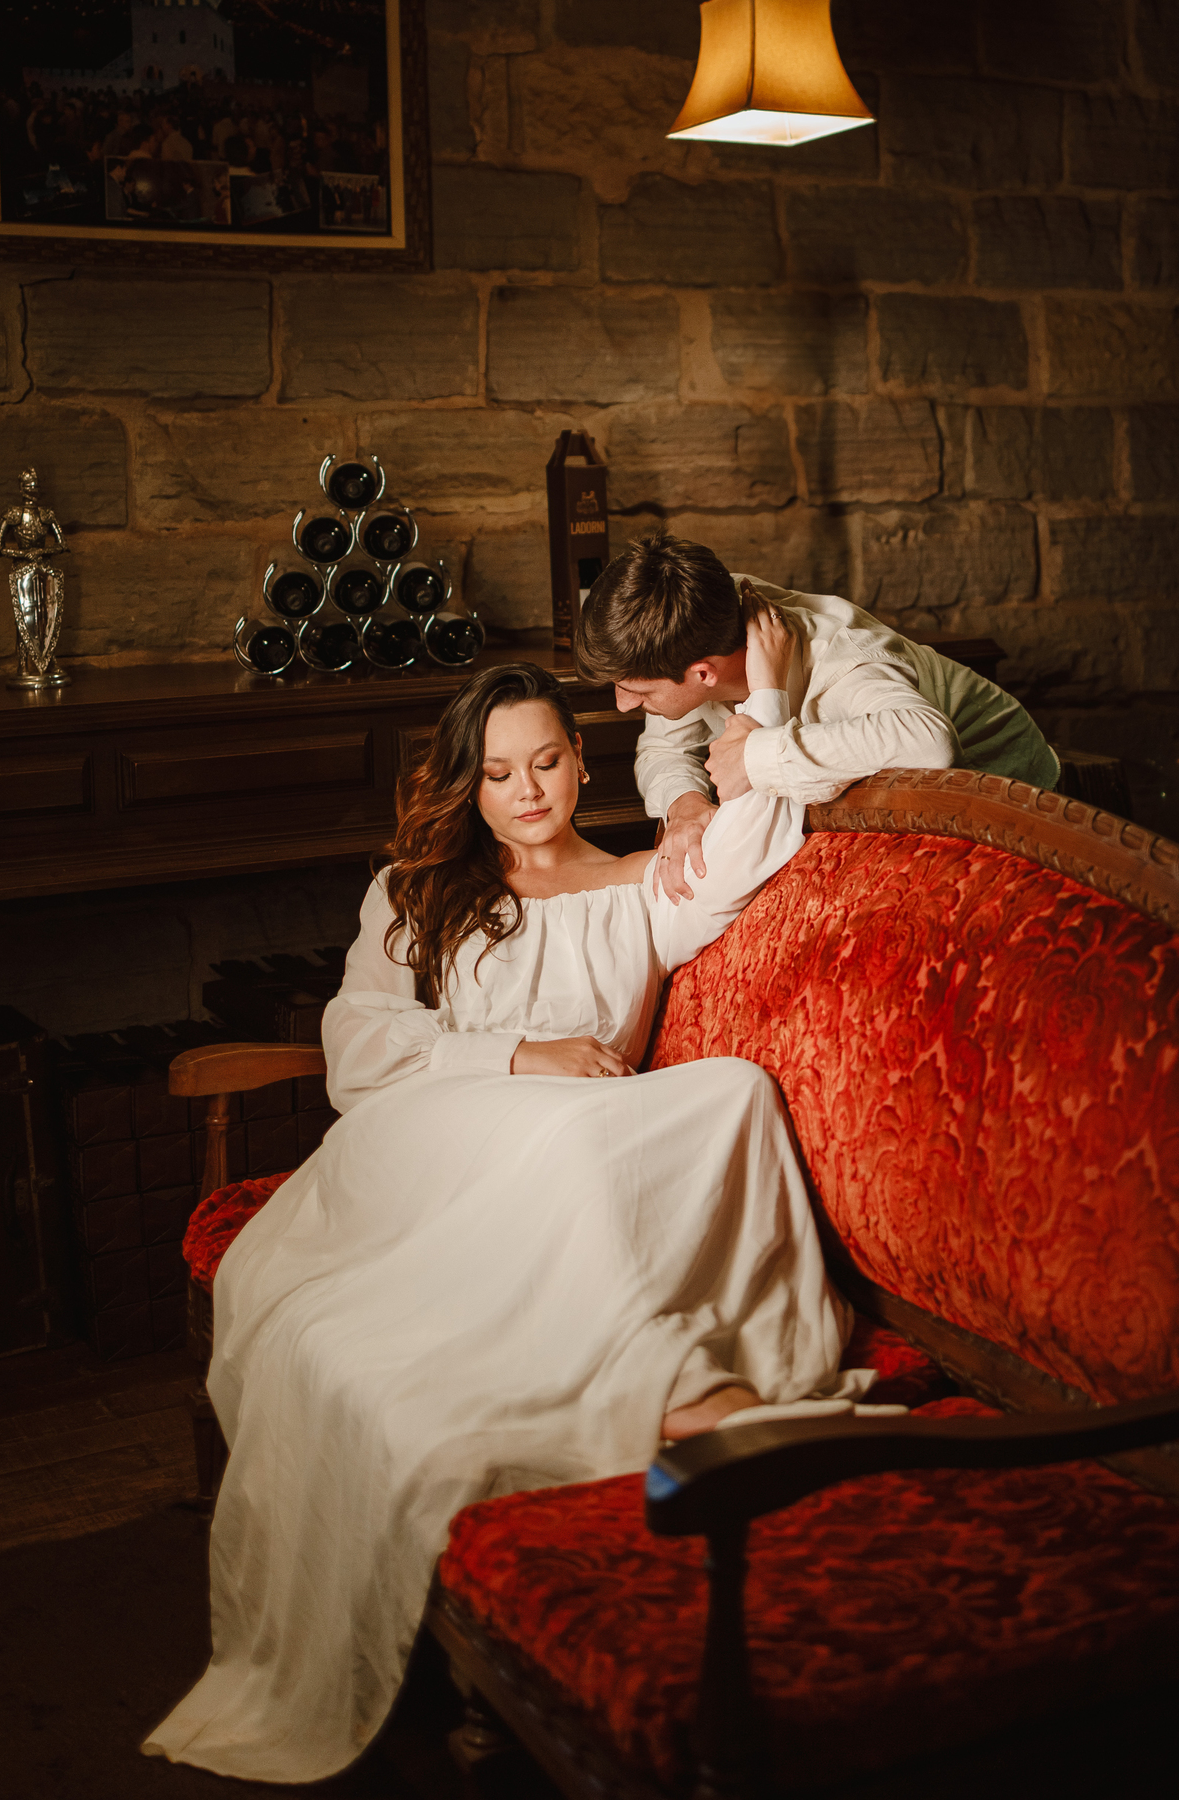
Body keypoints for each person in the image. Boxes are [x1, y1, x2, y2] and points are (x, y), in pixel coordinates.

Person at [143, 661, 891, 1784]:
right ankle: (685, 1390)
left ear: (582, 762)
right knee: (579, 1134)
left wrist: (761, 724)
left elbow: (754, 844)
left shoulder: (646, 881)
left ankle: (680, 1374)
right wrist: (518, 1054)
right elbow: (360, 1048)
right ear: (470, 782)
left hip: (588, 1138)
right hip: (436, 1134)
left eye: (545, 762)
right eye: (498, 773)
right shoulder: (415, 892)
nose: (527, 791)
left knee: (734, 1088)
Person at [573, 531, 1061, 901]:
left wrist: (756, 756)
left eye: (634, 690)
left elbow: (929, 741)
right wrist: (684, 805)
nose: (622, 704)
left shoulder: (841, 655)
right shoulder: (688, 627)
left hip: (1018, 800)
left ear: (703, 674)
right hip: (895, 809)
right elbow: (663, 746)